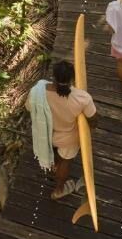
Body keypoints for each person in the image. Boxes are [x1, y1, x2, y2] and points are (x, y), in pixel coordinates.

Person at [26, 61, 97, 200]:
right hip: (68, 139)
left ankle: (54, 165)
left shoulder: (38, 90)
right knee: (66, 162)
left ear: (53, 76)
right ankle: (59, 190)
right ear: (72, 79)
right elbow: (93, 120)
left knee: (56, 151)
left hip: (47, 133)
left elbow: (29, 107)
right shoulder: (82, 98)